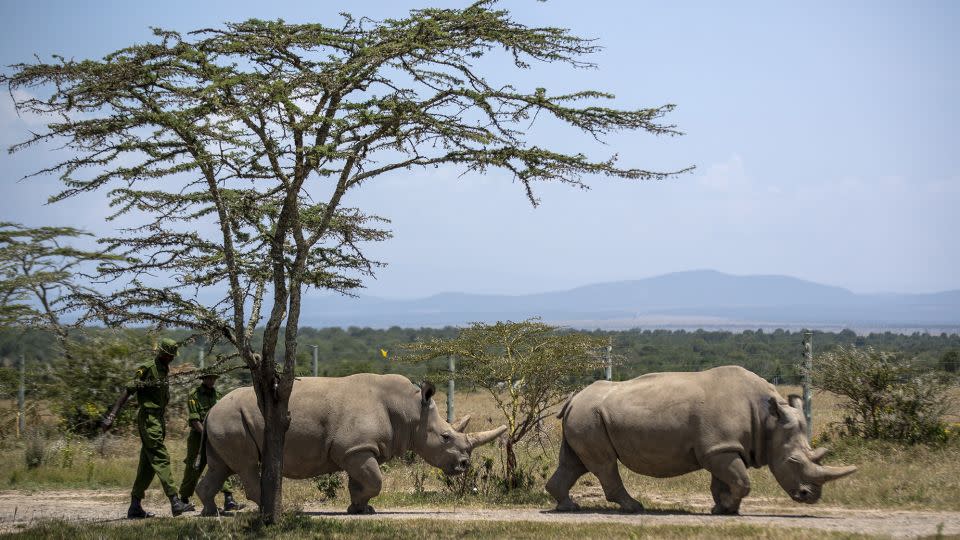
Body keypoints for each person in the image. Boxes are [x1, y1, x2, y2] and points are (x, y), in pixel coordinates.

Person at [102, 338, 193, 519]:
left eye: (173, 356)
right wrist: (111, 416)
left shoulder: (164, 368)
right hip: (149, 419)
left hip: (158, 418)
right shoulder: (147, 368)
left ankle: (135, 506)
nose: (172, 359)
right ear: (162, 353)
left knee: (147, 465)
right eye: (169, 355)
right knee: (160, 457)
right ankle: (175, 502)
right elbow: (128, 390)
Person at [178, 372, 241, 512]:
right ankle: (183, 499)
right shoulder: (194, 395)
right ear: (203, 379)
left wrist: (216, 435)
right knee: (194, 467)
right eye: (209, 378)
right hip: (198, 437)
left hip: (216, 437)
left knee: (223, 464)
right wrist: (206, 434)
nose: (212, 380)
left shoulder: (218, 396)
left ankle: (229, 498)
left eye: (214, 378)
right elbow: (194, 420)